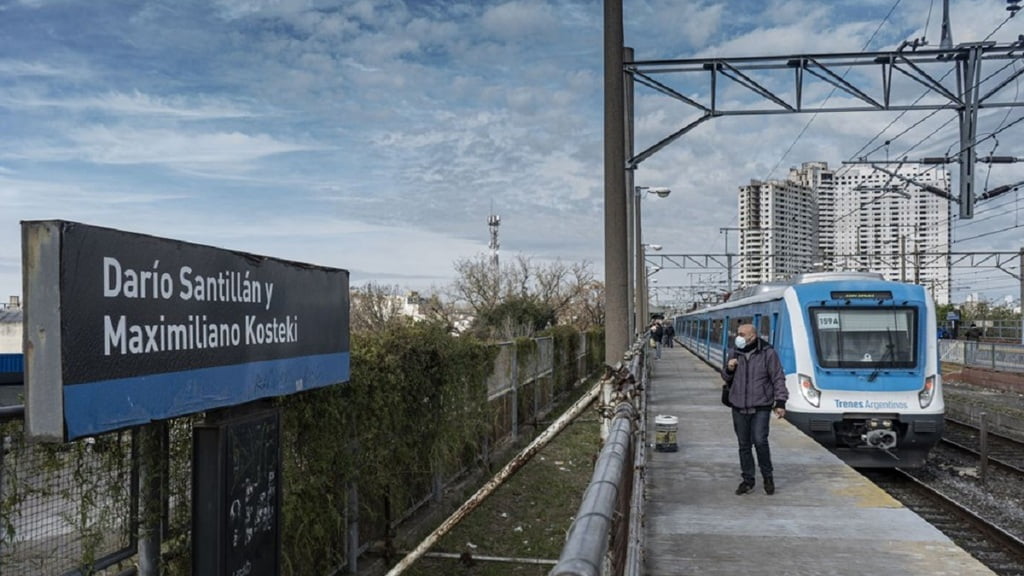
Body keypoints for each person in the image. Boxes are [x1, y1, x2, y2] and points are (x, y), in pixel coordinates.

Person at [721, 323, 788, 496]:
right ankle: (748, 480)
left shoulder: (767, 353)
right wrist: (729, 368)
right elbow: (725, 376)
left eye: (742, 334)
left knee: (760, 441)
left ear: (753, 336)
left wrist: (780, 402)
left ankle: (768, 477)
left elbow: (778, 377)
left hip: (761, 406)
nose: (738, 337)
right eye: (738, 334)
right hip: (738, 405)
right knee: (744, 445)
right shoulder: (734, 352)